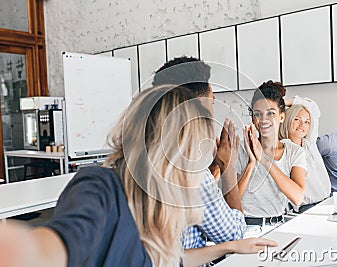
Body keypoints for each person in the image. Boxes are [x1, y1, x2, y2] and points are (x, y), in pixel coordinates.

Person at [0, 85, 277, 267]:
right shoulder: (101, 188)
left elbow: (170, 260)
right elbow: (43, 250)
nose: (198, 166)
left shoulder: (157, 203)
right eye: (195, 151)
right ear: (173, 149)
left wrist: (230, 248)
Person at [152, 56, 246, 250]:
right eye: (211, 102)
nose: (212, 111)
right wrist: (228, 168)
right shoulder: (192, 176)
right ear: (198, 107)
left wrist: (215, 168)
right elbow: (234, 235)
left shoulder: (133, 163)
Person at [236, 81, 307, 225]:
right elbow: (232, 200)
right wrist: (252, 163)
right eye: (258, 114)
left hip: (277, 225)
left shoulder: (294, 152)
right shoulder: (242, 149)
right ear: (252, 118)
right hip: (245, 226)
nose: (263, 120)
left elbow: (298, 197)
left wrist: (264, 159)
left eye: (271, 113)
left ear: (282, 117)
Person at [279, 96, 331, 213]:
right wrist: (275, 106)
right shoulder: (283, 148)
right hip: (306, 208)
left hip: (326, 202)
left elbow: (313, 109)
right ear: (287, 120)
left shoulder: (309, 144)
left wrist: (281, 101)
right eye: (297, 119)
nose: (302, 124)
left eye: (307, 122)